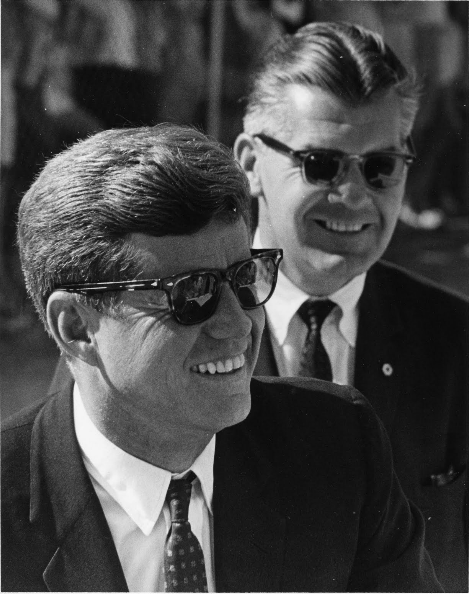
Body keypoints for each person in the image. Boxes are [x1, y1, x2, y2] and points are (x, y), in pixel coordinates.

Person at [2, 124, 442, 593]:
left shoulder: (340, 449)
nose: (238, 325)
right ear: (76, 326)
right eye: (192, 294)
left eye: (245, 277)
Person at [233, 21, 468, 592]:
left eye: (381, 166)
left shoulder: (457, 342)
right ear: (250, 163)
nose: (356, 195)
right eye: (321, 164)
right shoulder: (165, 317)